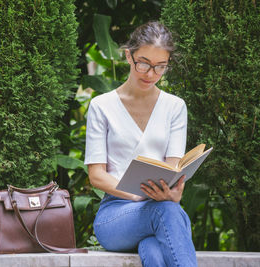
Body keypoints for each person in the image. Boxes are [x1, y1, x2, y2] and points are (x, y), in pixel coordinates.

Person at [84, 21, 197, 267]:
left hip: (161, 210)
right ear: (128, 56)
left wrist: (174, 193)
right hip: (115, 215)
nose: (150, 74)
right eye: (144, 63)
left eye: (160, 67)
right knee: (167, 212)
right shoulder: (102, 106)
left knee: (153, 250)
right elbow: (96, 176)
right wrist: (136, 196)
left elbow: (173, 170)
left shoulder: (175, 107)